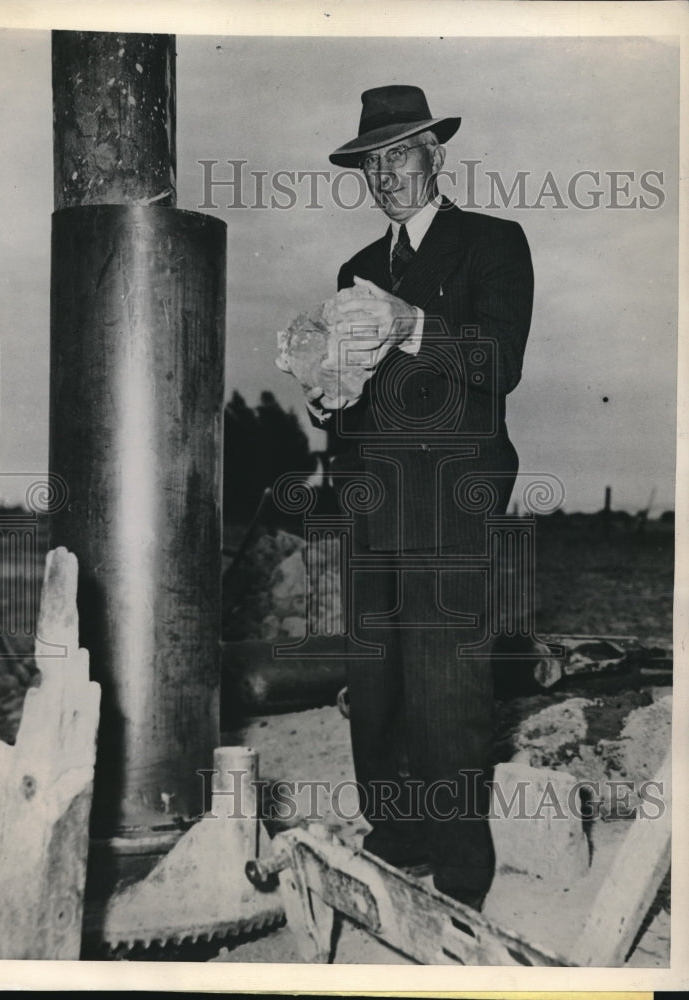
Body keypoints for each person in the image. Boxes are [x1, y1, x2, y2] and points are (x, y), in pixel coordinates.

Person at [305, 85, 534, 910]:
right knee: (376, 683)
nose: (385, 175)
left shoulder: (494, 243)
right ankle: (392, 841)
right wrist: (326, 397)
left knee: (447, 686)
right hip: (370, 490)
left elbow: (497, 365)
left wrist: (410, 325)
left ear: (436, 154)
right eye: (372, 162)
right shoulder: (355, 269)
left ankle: (459, 875)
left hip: (452, 492)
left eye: (400, 154)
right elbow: (356, 389)